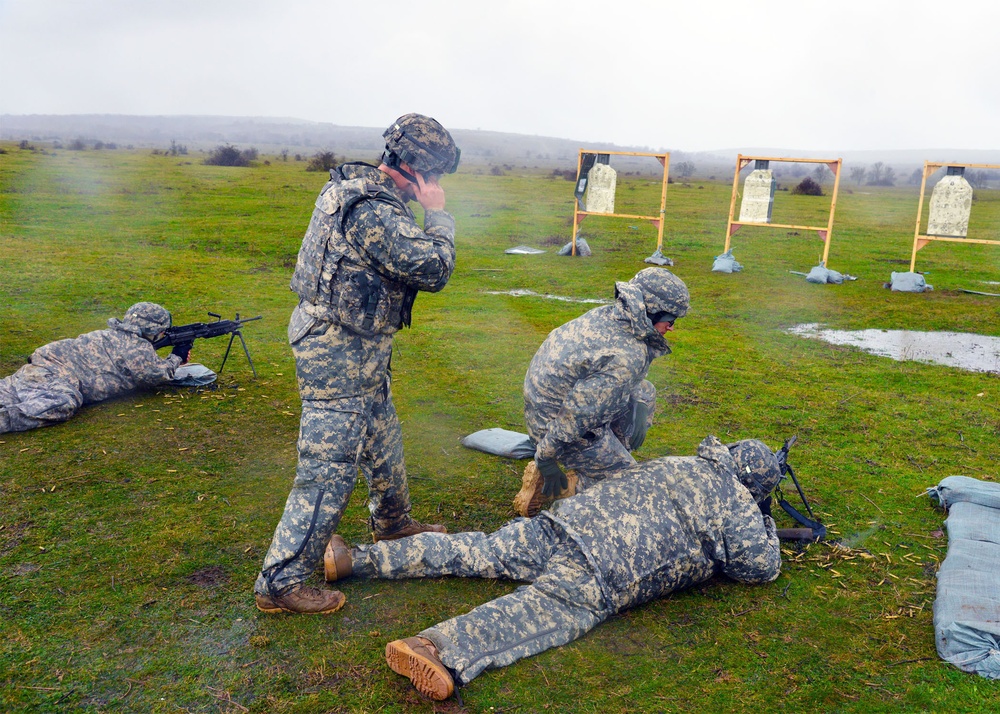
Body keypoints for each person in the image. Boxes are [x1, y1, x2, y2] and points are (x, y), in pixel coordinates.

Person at [322, 435, 783, 700]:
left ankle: (357, 558)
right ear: (754, 485)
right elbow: (759, 567)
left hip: (568, 522)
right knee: (533, 613)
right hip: (606, 568)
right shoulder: (737, 503)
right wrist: (765, 519)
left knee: (477, 549)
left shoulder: (685, 460)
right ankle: (437, 649)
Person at [254, 113, 462, 615]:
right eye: (431, 178)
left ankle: (392, 521)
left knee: (381, 434)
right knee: (329, 465)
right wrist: (439, 216)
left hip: (360, 343)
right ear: (412, 167)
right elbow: (432, 267)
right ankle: (280, 581)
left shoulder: (361, 188)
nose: (432, 188)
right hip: (335, 348)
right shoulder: (370, 208)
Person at [514, 267, 690, 517]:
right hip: (557, 427)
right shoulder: (628, 355)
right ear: (652, 311)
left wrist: (639, 402)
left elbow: (608, 382)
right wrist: (546, 456)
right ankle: (564, 487)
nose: (671, 328)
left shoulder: (611, 317)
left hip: (550, 408)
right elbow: (578, 412)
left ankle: (606, 458)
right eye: (670, 320)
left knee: (645, 393)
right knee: (630, 488)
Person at [0, 302, 188, 433]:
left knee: (11, 390)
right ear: (153, 330)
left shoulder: (112, 334)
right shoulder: (138, 348)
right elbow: (156, 375)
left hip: (38, 368)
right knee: (63, 403)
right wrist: (176, 357)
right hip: (57, 380)